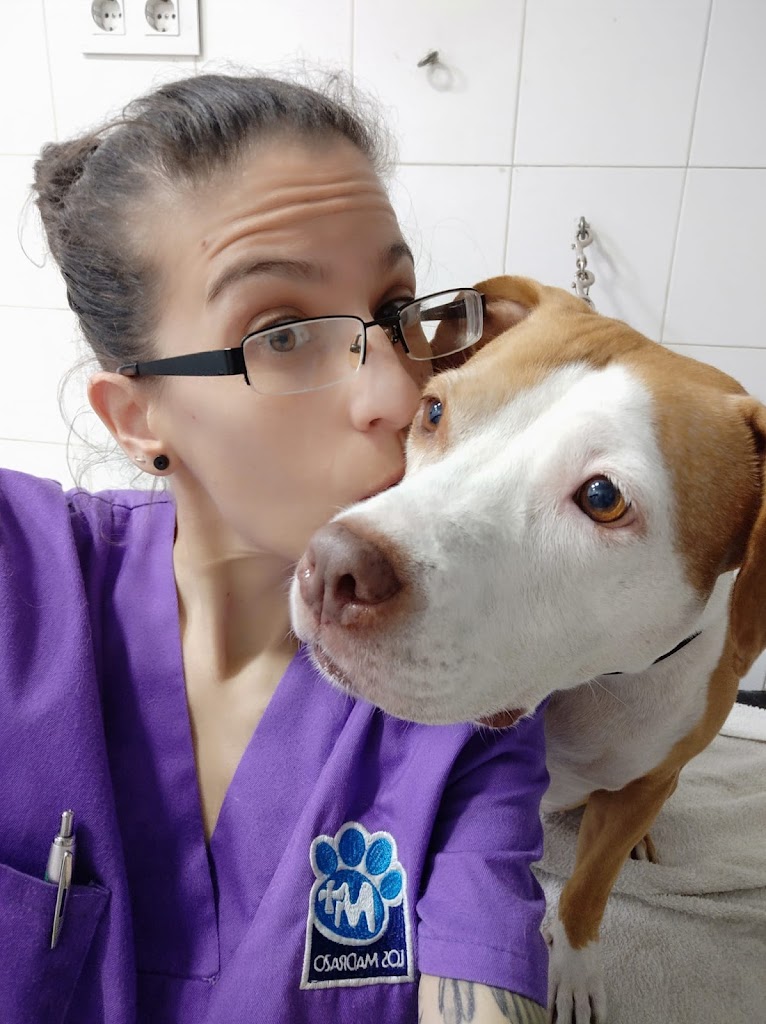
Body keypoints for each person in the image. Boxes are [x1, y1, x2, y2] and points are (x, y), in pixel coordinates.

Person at [0, 73, 549, 1023]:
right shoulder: (23, 574)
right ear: (136, 416)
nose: (399, 393)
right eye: (284, 333)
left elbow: (487, 947)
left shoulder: (465, 671)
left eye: (396, 308)